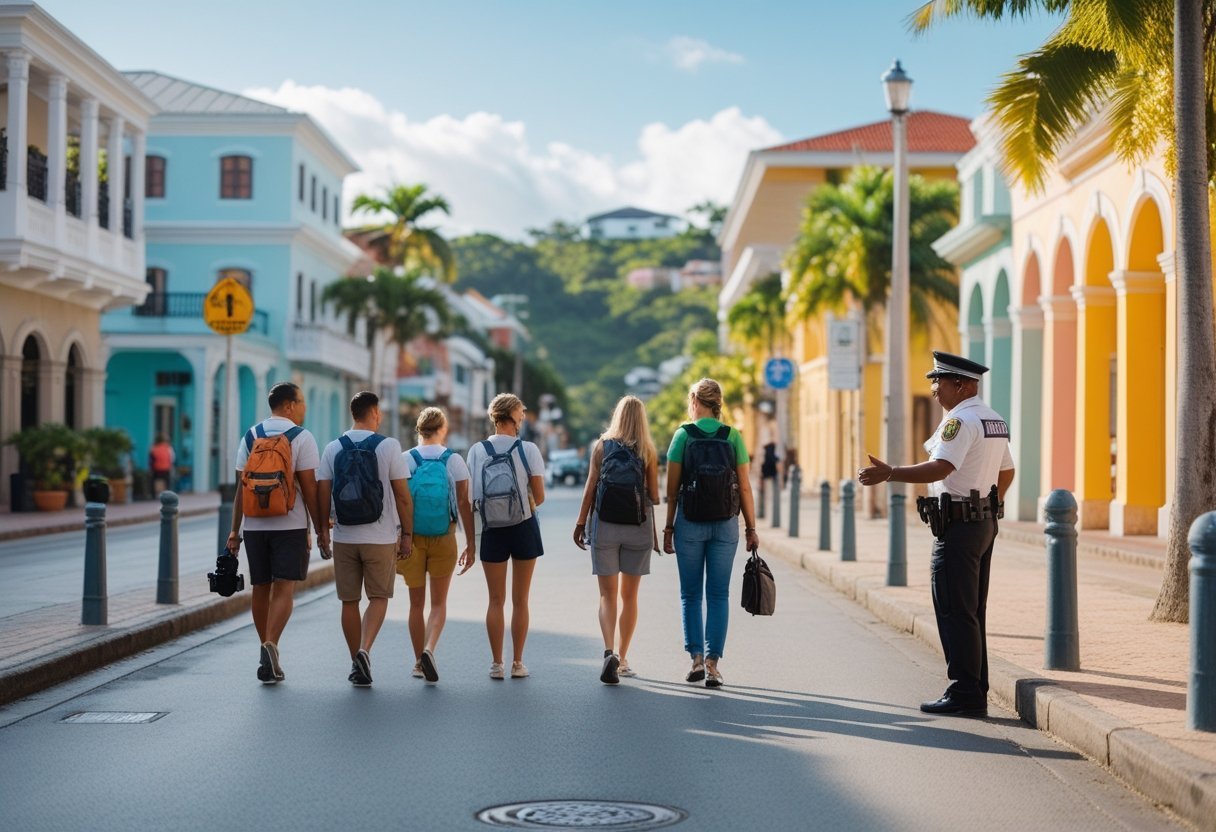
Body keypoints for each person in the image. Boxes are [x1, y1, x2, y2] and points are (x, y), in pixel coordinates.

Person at [858, 351, 1015, 718]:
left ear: (960, 384)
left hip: (959, 526)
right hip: (983, 522)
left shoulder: (959, 421)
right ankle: (976, 687)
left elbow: (940, 467)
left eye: (938, 381)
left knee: (954, 608)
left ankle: (964, 692)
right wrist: (993, 504)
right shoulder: (992, 418)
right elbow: (1007, 471)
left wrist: (891, 472)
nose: (933, 390)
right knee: (972, 609)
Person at [662, 378, 759, 689]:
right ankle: (713, 665)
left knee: (691, 595)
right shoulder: (733, 437)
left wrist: (668, 526)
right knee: (718, 595)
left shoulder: (682, 435)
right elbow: (744, 486)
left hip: (689, 523)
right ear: (718, 404)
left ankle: (695, 660)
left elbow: (672, 490)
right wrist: (751, 528)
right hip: (725, 524)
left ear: (695, 401)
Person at [227, 382, 323, 685]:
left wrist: (234, 531)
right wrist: (320, 529)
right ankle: (271, 645)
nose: (305, 408)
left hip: (255, 526)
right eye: (303, 402)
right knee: (284, 590)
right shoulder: (302, 438)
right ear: (290, 405)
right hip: (289, 525)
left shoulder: (251, 435)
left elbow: (240, 489)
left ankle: (265, 647)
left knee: (261, 587)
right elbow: (309, 490)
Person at [316, 391, 413, 688]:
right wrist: (407, 534)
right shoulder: (389, 446)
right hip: (380, 537)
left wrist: (322, 531)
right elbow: (402, 497)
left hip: (345, 535)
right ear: (373, 412)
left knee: (349, 601)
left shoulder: (333, 448)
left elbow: (322, 494)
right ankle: (364, 651)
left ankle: (354, 662)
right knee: (379, 597)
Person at [573, 395, 660, 685]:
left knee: (607, 596)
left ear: (617, 417)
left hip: (605, 526)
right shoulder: (648, 450)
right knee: (629, 597)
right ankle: (623, 659)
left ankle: (608, 650)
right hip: (638, 527)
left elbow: (590, 487)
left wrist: (580, 522)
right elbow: (655, 497)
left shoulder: (602, 447)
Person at [466, 393, 545, 680]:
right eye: (521, 415)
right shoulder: (529, 450)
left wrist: (472, 541)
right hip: (523, 527)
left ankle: (496, 664)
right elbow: (540, 496)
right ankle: (518, 663)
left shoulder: (477, 451)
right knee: (520, 600)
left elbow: (472, 498)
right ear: (513, 417)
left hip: (491, 529)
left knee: (495, 600)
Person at [401, 407, 476, 683]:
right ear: (442, 429)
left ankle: (418, 662)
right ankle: (430, 648)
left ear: (419, 430)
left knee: (415, 604)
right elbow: (464, 504)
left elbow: (399, 502)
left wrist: (400, 537)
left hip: (412, 538)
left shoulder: (405, 459)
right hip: (445, 536)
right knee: (438, 603)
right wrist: (471, 543)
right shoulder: (453, 461)